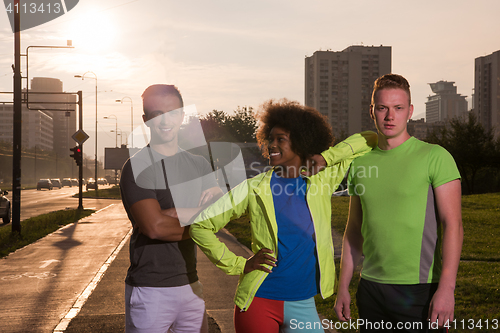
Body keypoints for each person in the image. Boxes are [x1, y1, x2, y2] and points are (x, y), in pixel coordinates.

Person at [189, 99, 377, 333]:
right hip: (259, 303)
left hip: (304, 304)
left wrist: (326, 158)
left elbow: (369, 138)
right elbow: (200, 226)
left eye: (281, 139)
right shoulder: (253, 188)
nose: (271, 144)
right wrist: (239, 264)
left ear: (300, 142)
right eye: (270, 138)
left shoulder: (321, 180)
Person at [334, 74, 463, 332]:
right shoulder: (360, 164)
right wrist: (343, 287)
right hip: (370, 289)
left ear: (410, 111)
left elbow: (453, 226)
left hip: (420, 290)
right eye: (382, 108)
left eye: (398, 108)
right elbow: (353, 231)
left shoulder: (434, 157)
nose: (390, 116)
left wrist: (447, 288)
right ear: (372, 111)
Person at [120, 84, 223, 333]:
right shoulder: (137, 167)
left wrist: (170, 214)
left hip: (191, 285)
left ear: (181, 115)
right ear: (145, 121)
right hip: (149, 290)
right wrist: (198, 217)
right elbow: (154, 228)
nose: (165, 121)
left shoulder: (198, 164)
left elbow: (220, 217)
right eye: (156, 115)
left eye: (172, 112)